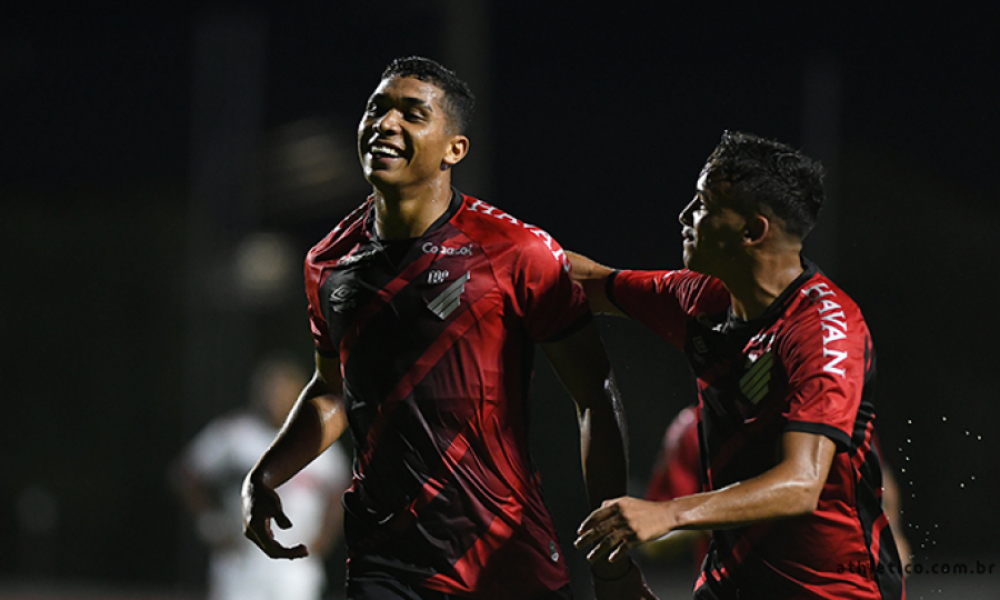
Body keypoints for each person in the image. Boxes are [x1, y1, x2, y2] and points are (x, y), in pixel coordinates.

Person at [240, 56, 656, 600]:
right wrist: (266, 474)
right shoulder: (328, 262)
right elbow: (333, 389)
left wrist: (612, 557)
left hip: (505, 556)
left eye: (412, 114)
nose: (386, 124)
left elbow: (595, 397)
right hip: (385, 562)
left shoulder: (517, 251)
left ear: (454, 149)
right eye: (377, 109)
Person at [570, 131, 905, 599]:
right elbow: (590, 282)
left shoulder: (825, 329)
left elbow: (801, 483)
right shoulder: (702, 299)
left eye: (703, 203)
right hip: (731, 587)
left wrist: (668, 512)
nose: (685, 215)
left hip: (836, 592)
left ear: (752, 231)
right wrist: (485, 242)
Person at [171, 355, 351, 600]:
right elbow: (187, 474)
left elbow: (340, 490)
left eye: (283, 390)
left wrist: (324, 540)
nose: (275, 398)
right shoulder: (233, 434)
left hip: (295, 561)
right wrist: (210, 523)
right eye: (270, 390)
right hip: (241, 558)